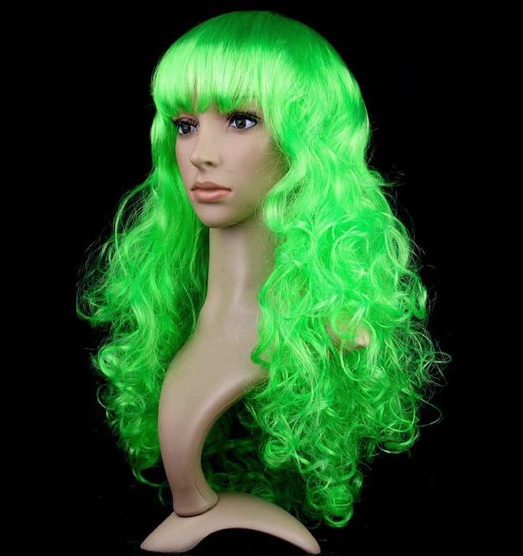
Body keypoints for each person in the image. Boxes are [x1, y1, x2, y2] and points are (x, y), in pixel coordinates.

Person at [78, 10, 447, 554]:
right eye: (186, 125)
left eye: (241, 120)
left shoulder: (328, 328)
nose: (201, 154)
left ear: (306, 143)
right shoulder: (181, 312)